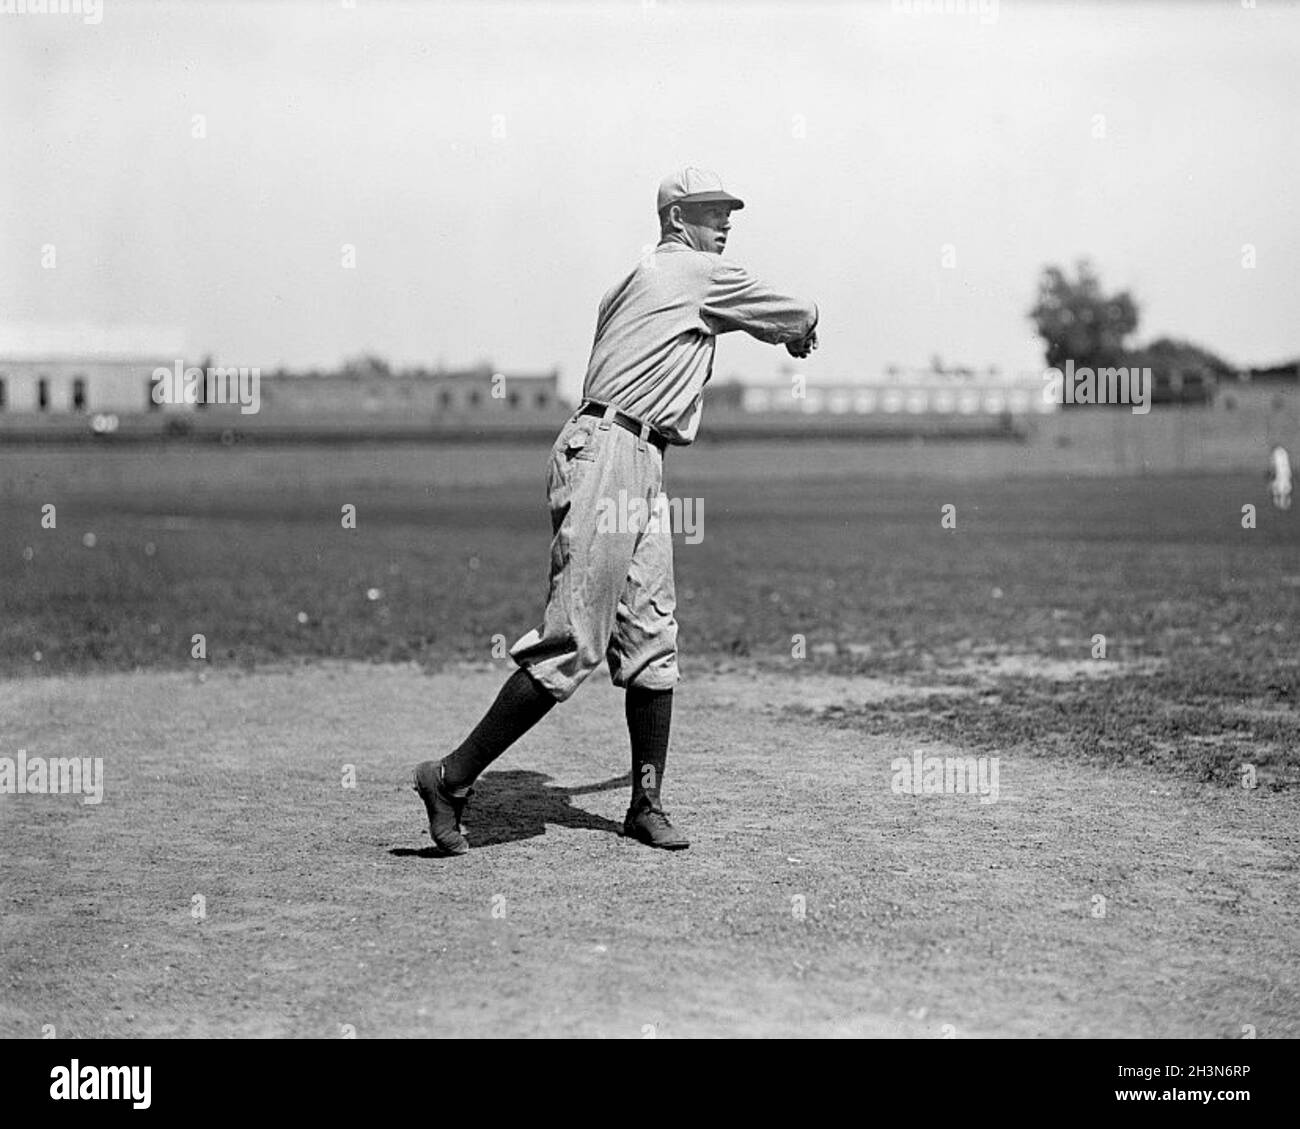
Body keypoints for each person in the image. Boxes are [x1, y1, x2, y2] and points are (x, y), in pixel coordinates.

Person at [414, 167, 819, 854]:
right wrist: (799, 331)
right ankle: (448, 777)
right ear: (675, 221)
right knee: (573, 640)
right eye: (710, 212)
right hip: (610, 453)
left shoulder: (634, 279)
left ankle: (645, 802)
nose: (724, 223)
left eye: (727, 212)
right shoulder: (693, 272)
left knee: (654, 637)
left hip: (637, 453)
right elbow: (795, 310)